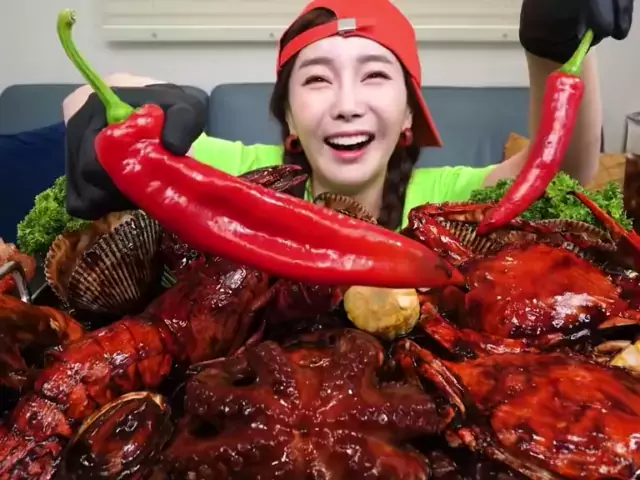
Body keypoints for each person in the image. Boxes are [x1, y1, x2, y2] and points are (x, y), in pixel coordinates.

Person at [63, 0, 635, 232]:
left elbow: (561, 174)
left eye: (375, 75)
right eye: (316, 79)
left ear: (409, 115)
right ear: (289, 118)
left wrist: (551, 51)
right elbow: (79, 99)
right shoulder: (242, 174)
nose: (346, 103)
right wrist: (150, 107)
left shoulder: (443, 199)